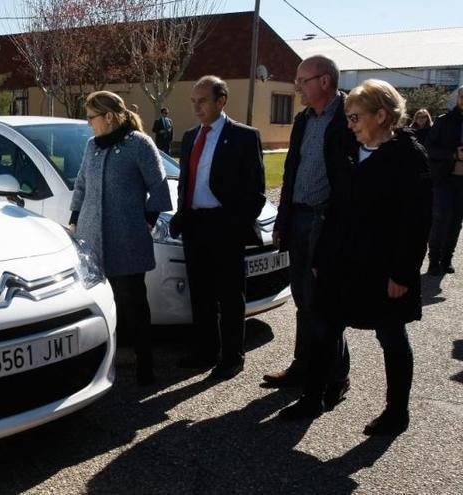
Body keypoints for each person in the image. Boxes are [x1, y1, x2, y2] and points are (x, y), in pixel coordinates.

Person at [280, 79, 432, 436]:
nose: (350, 125)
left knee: (392, 337)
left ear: (382, 115)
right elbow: (337, 208)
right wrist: (321, 256)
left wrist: (403, 273)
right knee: (323, 328)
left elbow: (417, 221)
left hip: (385, 267)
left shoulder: (408, 156)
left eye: (355, 117)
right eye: (348, 118)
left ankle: (397, 412)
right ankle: (313, 396)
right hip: (340, 260)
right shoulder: (348, 147)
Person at [263, 55, 352, 399]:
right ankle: (303, 367)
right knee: (303, 299)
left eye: (303, 80)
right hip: (299, 218)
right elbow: (291, 172)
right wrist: (283, 220)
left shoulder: (347, 118)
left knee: (326, 304)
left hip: (327, 222)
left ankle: (336, 375)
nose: (296, 87)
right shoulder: (303, 119)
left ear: (325, 81)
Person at [69, 91, 172, 385]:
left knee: (133, 300)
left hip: (127, 236)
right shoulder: (92, 146)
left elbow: (159, 186)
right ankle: (107, 359)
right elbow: (81, 184)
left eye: (91, 117)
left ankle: (145, 363)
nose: (88, 123)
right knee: (102, 299)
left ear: (109, 117)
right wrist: (75, 218)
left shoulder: (139, 144)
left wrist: (148, 220)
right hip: (93, 237)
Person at [168, 75, 265, 380]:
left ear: (221, 101)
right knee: (201, 294)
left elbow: (256, 191)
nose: (197, 107)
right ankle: (206, 350)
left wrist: (235, 225)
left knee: (229, 294)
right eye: (193, 101)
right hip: (195, 225)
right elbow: (186, 181)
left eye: (203, 101)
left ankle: (232, 356)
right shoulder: (190, 136)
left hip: (225, 226)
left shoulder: (244, 137)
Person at [426, 86, 463, 276]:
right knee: (440, 219)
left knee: (456, 222)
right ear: (458, 98)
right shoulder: (445, 121)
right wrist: (453, 154)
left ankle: (447, 259)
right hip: (444, 178)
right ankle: (434, 260)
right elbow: (429, 148)